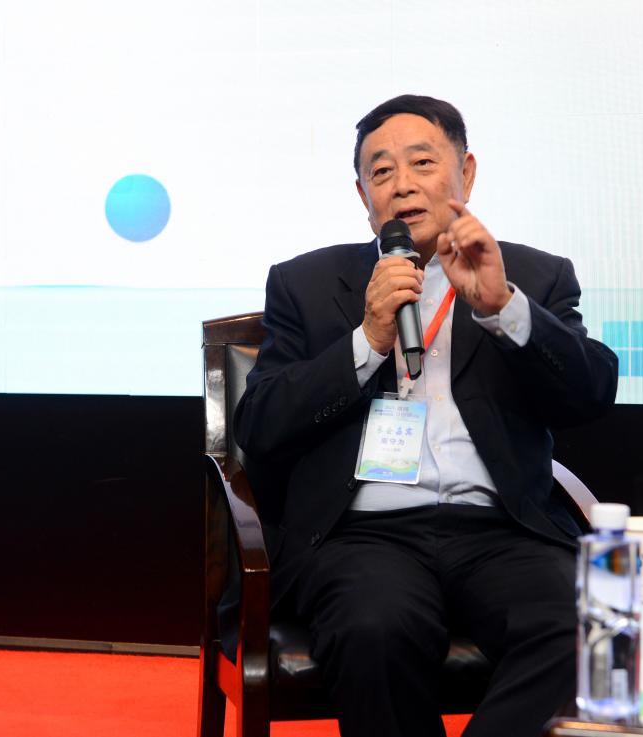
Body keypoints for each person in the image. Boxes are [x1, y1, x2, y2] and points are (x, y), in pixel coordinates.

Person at [234, 94, 618, 737]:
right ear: (363, 195)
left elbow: (592, 392)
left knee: (581, 628)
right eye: (381, 171)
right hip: (363, 535)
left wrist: (504, 309)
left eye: (422, 162)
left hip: (501, 530)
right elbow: (260, 425)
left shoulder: (532, 275)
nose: (403, 185)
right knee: (374, 629)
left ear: (466, 172)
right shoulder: (306, 283)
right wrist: (366, 341)